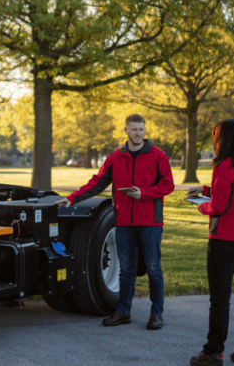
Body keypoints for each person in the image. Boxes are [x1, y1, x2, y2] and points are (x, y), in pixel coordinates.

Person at [55, 114, 175, 330]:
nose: (138, 133)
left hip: (150, 223)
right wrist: (72, 198)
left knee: (154, 269)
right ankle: (123, 312)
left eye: (141, 129)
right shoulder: (116, 157)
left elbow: (168, 185)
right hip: (123, 223)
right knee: (126, 270)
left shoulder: (158, 156)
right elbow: (97, 182)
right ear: (126, 130)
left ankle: (157, 314)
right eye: (134, 129)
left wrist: (144, 193)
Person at [185, 119, 234, 366]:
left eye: (215, 137)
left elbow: (218, 207)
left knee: (220, 299)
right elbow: (233, 191)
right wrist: (205, 188)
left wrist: (200, 205)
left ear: (222, 139)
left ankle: (212, 353)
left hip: (224, 243)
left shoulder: (224, 165)